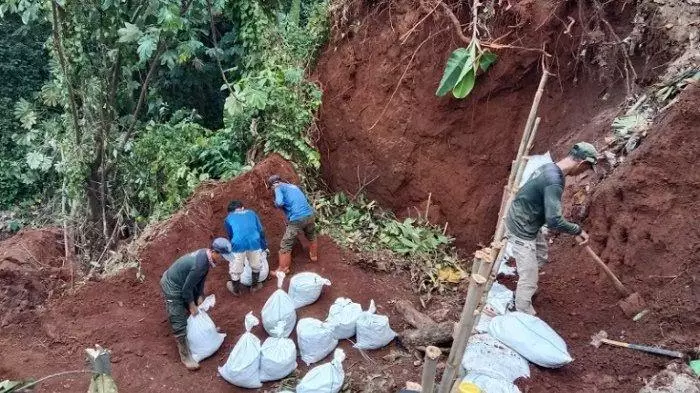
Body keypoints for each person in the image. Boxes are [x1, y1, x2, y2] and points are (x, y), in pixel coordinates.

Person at [504, 142, 598, 315]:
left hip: (528, 219)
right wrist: (577, 230)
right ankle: (520, 312)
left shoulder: (550, 168)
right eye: (586, 168)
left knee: (540, 254)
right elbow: (554, 220)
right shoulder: (554, 181)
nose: (584, 172)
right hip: (521, 227)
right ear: (582, 163)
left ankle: (525, 287)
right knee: (529, 278)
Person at [160, 237, 234, 370]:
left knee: (194, 302)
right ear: (214, 252)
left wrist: (199, 295)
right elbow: (186, 289)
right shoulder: (199, 264)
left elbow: (200, 279)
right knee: (178, 316)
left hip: (183, 282)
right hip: (172, 285)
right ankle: (185, 355)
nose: (222, 259)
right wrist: (191, 304)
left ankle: (200, 333)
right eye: (222, 256)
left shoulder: (206, 257)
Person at [267, 174, 317, 274]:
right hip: (309, 214)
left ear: (273, 185)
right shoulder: (293, 186)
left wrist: (276, 203)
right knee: (311, 235)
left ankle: (283, 269)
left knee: (286, 244)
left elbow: (280, 202)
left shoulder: (277, 187)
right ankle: (314, 256)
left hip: (297, 218)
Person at [223, 200, 268, 295]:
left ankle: (236, 291)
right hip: (254, 241)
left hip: (238, 243)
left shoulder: (228, 218)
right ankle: (255, 287)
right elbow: (261, 231)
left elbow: (230, 236)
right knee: (256, 265)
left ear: (230, 212)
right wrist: (264, 246)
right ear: (242, 207)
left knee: (235, 269)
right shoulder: (252, 213)